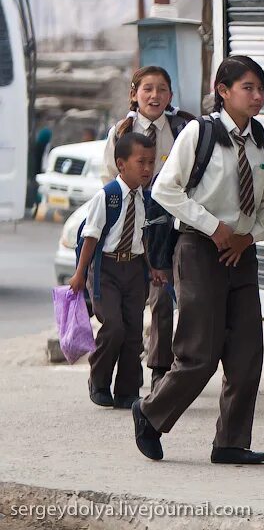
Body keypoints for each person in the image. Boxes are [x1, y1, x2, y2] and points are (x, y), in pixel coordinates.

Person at [131, 55, 264, 465]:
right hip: (200, 249)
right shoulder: (200, 132)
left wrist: (250, 235)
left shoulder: (260, 138)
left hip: (243, 254)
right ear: (223, 90)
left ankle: (231, 442)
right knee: (199, 353)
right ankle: (150, 412)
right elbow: (166, 188)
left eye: (261, 89)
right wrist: (214, 227)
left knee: (247, 354)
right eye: (248, 88)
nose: (258, 96)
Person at [100, 66, 196, 392]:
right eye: (147, 89)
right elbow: (108, 183)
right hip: (131, 228)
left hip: (170, 228)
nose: (155, 96)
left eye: (162, 89)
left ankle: (159, 369)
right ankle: (117, 378)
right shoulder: (120, 132)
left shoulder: (184, 129)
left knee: (163, 299)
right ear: (135, 93)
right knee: (129, 307)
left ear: (170, 95)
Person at [69, 133, 158, 409]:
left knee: (133, 331)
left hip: (133, 269)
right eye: (140, 162)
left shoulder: (146, 198)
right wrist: (80, 274)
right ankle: (98, 380)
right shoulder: (107, 197)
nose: (147, 168)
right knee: (114, 327)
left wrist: (152, 268)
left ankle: (127, 390)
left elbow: (142, 236)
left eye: (151, 162)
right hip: (105, 269)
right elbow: (91, 238)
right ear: (121, 164)